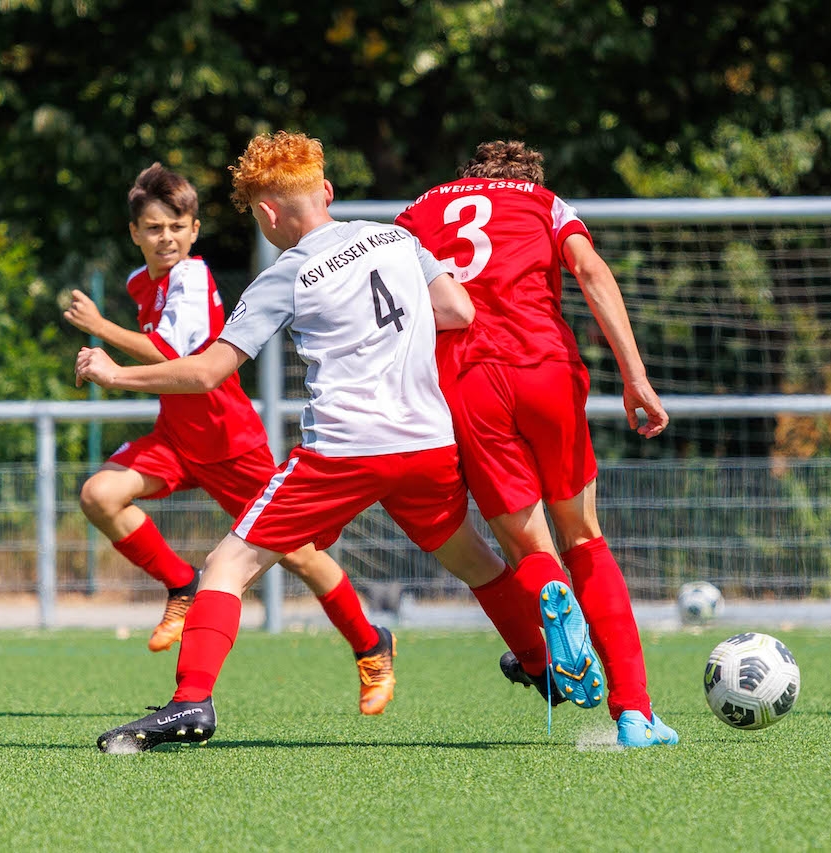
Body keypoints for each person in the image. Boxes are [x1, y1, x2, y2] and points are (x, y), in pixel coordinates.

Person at [79, 132, 602, 752]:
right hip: (428, 444)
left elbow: (206, 372)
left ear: (268, 213)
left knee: (226, 567)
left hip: (343, 453)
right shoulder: (397, 239)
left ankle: (191, 700)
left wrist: (115, 374)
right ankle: (541, 665)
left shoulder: (286, 274)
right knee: (477, 562)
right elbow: (458, 311)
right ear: (325, 191)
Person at [64, 163, 395, 715]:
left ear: (195, 230)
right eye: (154, 228)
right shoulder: (141, 283)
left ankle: (370, 643)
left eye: (177, 227)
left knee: (301, 557)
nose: (166, 238)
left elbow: (174, 353)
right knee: (100, 495)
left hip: (229, 443)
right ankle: (182, 585)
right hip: (177, 438)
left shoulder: (192, 278)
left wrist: (101, 329)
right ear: (135, 233)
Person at [395, 140, 678, 747]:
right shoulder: (543, 202)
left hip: (466, 380)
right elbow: (590, 271)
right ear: (526, 176)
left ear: (469, 175)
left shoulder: (419, 210)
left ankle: (547, 587)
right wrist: (635, 376)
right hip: (544, 369)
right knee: (585, 537)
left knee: (531, 549)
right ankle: (634, 715)